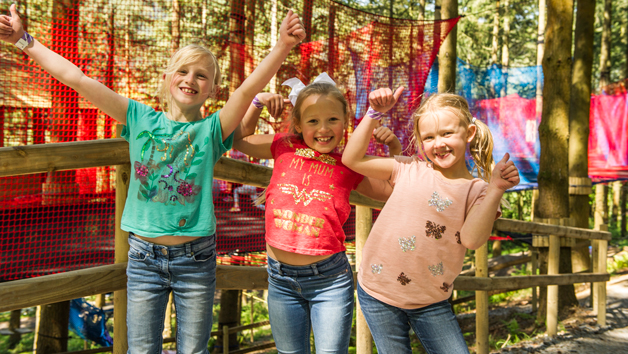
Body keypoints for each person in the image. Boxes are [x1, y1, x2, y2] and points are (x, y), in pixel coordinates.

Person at [0, 4, 306, 353]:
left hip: (195, 259)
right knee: (142, 349)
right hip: (144, 258)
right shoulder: (138, 116)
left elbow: (246, 90)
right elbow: (78, 79)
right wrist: (25, 40)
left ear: (213, 90)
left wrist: (282, 46)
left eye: (201, 76)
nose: (190, 79)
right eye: (183, 71)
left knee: (194, 350)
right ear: (167, 78)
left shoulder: (212, 130)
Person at [342, 89, 520, 354]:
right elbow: (351, 159)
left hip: (431, 301)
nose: (438, 143)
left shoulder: (478, 190)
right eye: (429, 137)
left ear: (469, 133)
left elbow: (471, 239)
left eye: (447, 133)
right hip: (377, 291)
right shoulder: (408, 168)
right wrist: (373, 114)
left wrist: (496, 189)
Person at [233, 73, 402, 353]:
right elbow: (240, 140)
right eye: (313, 121)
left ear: (345, 122)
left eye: (332, 119)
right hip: (280, 279)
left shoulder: (349, 163)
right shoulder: (283, 144)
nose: (323, 128)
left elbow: (393, 189)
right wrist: (257, 101)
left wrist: (394, 148)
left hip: (330, 281)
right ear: (299, 124)